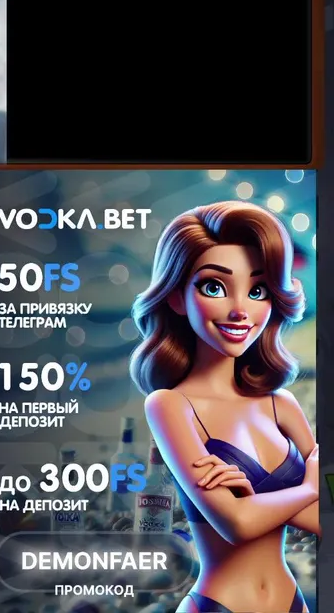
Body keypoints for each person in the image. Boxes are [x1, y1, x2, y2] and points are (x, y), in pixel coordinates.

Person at [131, 201, 318, 612]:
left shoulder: (281, 405)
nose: (240, 310)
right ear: (176, 297)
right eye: (214, 287)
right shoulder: (169, 405)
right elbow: (236, 524)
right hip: (220, 604)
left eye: (258, 290)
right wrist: (307, 487)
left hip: (292, 602)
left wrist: (264, 503)